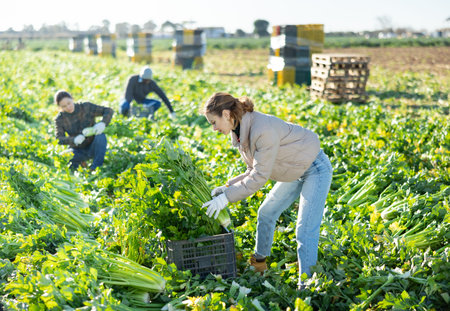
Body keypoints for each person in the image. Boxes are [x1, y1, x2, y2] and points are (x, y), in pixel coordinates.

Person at [202, 92, 332, 288]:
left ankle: (307, 287)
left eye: (214, 122)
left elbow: (259, 177)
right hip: (293, 169)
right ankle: (259, 263)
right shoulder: (239, 131)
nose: (213, 128)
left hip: (314, 168)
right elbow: (252, 169)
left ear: (227, 114)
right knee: (266, 212)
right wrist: (227, 187)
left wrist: (226, 198)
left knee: (305, 230)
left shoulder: (262, 129)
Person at [54, 90, 114, 171]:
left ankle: (95, 167)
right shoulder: (60, 119)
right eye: (64, 106)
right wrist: (73, 139)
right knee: (65, 157)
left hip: (93, 146)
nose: (68, 107)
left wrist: (103, 123)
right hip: (78, 150)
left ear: (72, 99)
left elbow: (108, 110)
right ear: (60, 107)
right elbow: (59, 139)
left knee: (101, 136)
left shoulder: (86, 107)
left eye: (69, 103)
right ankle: (81, 164)